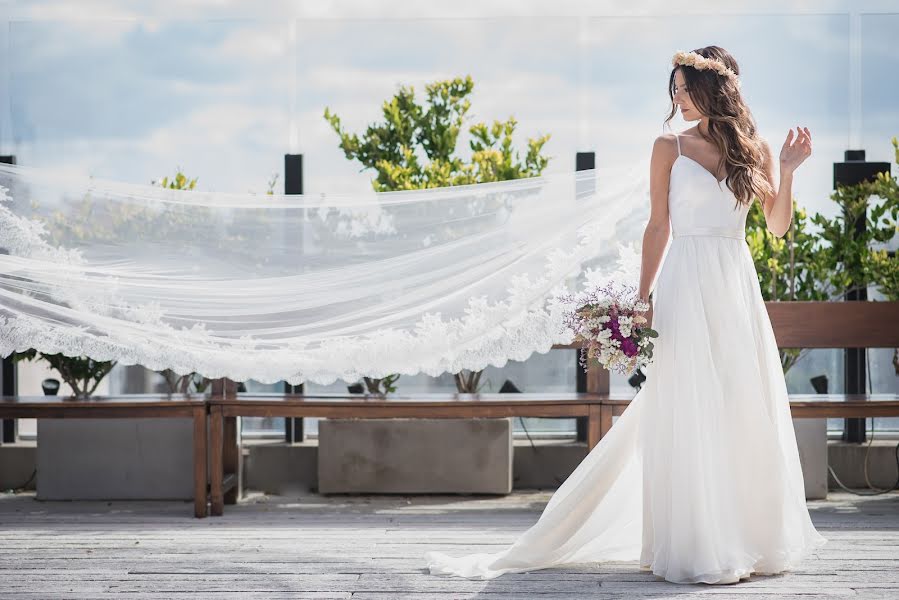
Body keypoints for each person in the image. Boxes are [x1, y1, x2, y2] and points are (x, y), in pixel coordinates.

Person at [424, 45, 828, 585]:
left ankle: (747, 534)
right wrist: (642, 300)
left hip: (734, 284)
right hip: (686, 282)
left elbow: (776, 226)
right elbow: (658, 226)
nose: (677, 98)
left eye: (685, 88)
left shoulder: (749, 150)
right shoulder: (668, 146)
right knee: (689, 403)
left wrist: (789, 168)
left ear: (714, 89)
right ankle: (696, 541)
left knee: (739, 401)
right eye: (675, 89)